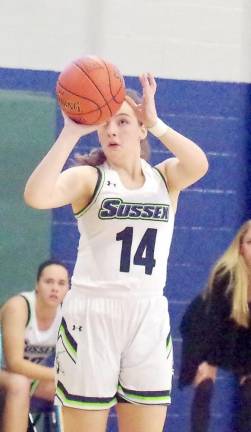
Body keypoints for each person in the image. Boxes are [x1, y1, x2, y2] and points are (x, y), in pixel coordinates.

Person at [24, 73, 208, 432]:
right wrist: (70, 132)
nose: (112, 131)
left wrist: (156, 123)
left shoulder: (165, 177)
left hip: (147, 313)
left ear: (140, 129)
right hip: (92, 315)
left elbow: (199, 164)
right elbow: (36, 195)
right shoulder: (90, 178)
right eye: (104, 124)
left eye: (123, 122)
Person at [179, 220, 251, 432]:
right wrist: (206, 362)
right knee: (205, 384)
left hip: (243, 331)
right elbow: (210, 324)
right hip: (206, 327)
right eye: (250, 242)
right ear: (240, 247)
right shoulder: (226, 274)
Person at [0, 259, 69, 432]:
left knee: (71, 390)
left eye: (61, 283)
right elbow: (14, 364)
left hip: (22, 376)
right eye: (49, 282)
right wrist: (59, 375)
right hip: (10, 373)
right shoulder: (20, 306)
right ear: (37, 285)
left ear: (68, 289)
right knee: (19, 384)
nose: (55, 288)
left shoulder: (67, 315)